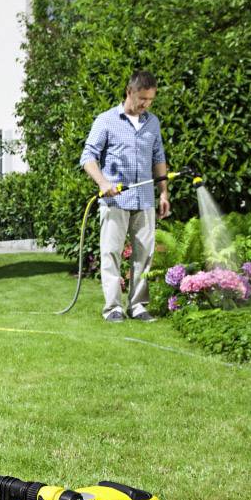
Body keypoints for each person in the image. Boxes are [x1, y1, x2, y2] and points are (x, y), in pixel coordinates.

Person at [80, 70, 170, 322]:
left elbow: (159, 159)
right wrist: (103, 182)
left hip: (144, 200)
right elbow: (88, 157)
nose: (146, 104)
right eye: (142, 98)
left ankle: (138, 306)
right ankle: (113, 308)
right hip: (115, 200)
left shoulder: (152, 123)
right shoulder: (106, 120)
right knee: (111, 252)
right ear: (129, 92)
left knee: (144, 254)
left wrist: (163, 193)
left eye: (150, 100)